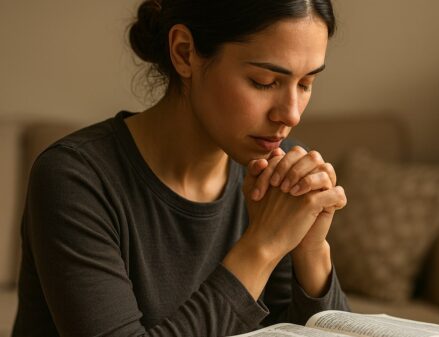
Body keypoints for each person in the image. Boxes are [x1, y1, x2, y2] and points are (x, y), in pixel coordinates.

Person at [11, 0, 350, 336]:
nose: (292, 114)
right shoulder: (76, 178)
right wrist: (263, 245)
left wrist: (311, 250)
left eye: (306, 84)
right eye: (264, 81)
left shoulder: (275, 167)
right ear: (185, 52)